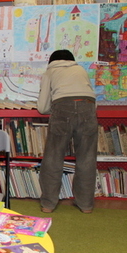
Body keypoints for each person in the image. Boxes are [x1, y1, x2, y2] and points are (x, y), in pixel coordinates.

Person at [37, 49, 97, 214]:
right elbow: (91, 97)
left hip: (62, 106)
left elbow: (42, 107)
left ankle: (48, 204)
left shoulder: (50, 72)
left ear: (52, 61)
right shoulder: (81, 70)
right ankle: (86, 205)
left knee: (54, 156)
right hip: (87, 106)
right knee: (87, 157)